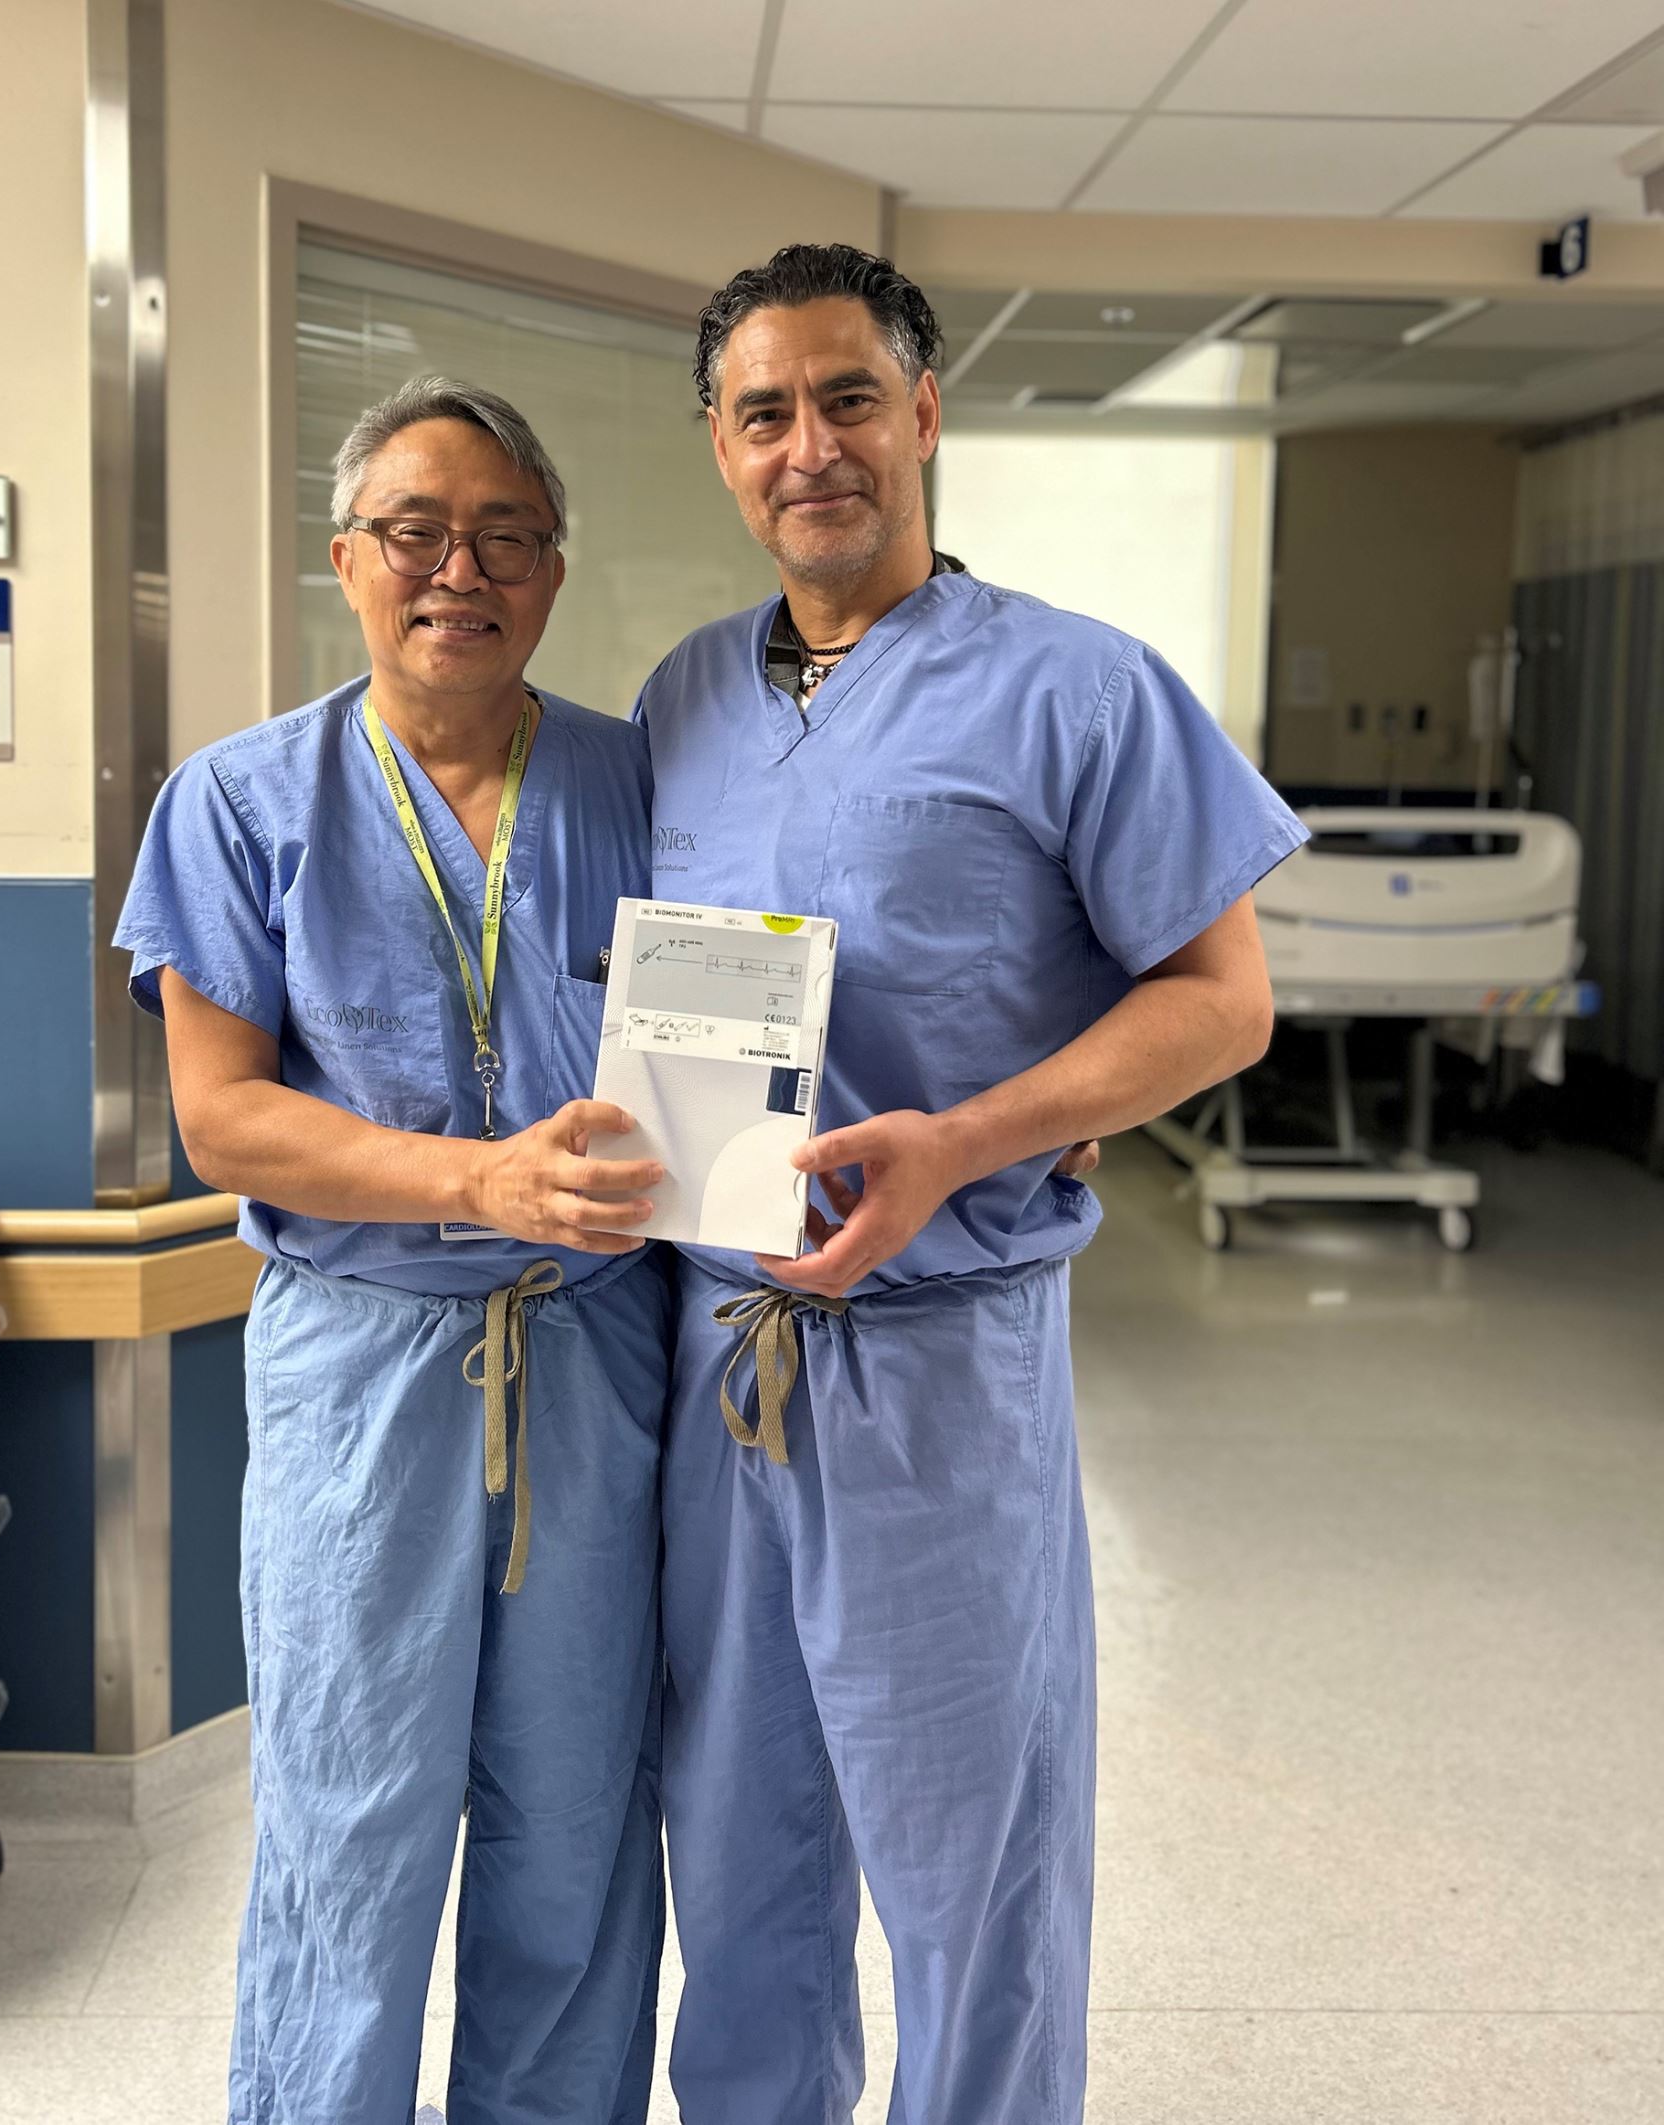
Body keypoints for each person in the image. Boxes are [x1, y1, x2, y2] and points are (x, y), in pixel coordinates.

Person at [634, 245, 1308, 2125]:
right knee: (737, 1839)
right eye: (764, 411)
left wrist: (970, 1141)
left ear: (925, 415)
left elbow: (1223, 1002)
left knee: (973, 1865)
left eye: (850, 397)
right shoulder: (688, 691)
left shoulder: (1080, 690)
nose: (810, 445)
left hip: (943, 1363)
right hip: (719, 1353)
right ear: (722, 446)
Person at [114, 379, 668, 2125]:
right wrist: (472, 1181)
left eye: (504, 534)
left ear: (554, 573)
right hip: (364, 1370)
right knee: (350, 1825)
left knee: (576, 1823)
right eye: (418, 532)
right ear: (346, 561)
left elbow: (776, 1010)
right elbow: (227, 1121)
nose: (460, 569)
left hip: (594, 1356)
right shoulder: (238, 802)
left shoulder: (634, 782)